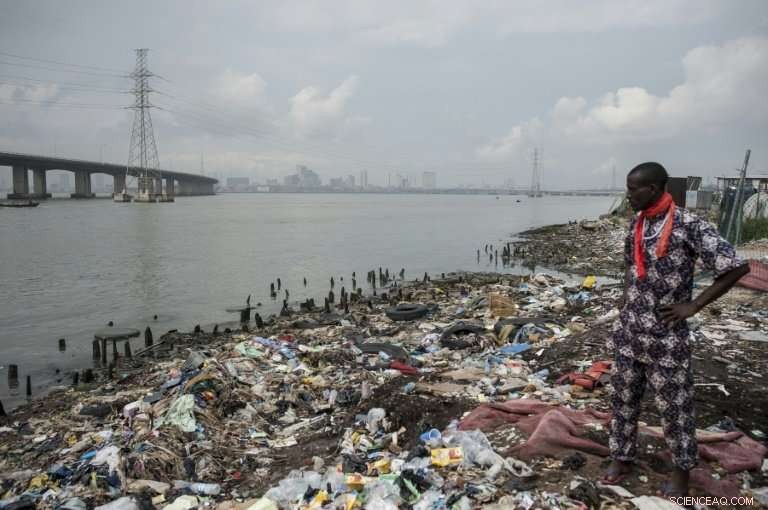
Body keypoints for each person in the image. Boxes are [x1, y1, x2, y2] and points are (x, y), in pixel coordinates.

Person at [602, 162, 750, 496]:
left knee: (675, 408)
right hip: (630, 334)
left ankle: (682, 474)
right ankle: (621, 457)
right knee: (623, 399)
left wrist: (694, 305)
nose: (627, 195)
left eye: (632, 189)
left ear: (652, 189)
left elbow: (737, 266)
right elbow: (631, 266)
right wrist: (627, 300)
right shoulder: (637, 224)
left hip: (666, 338)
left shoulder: (689, 225)